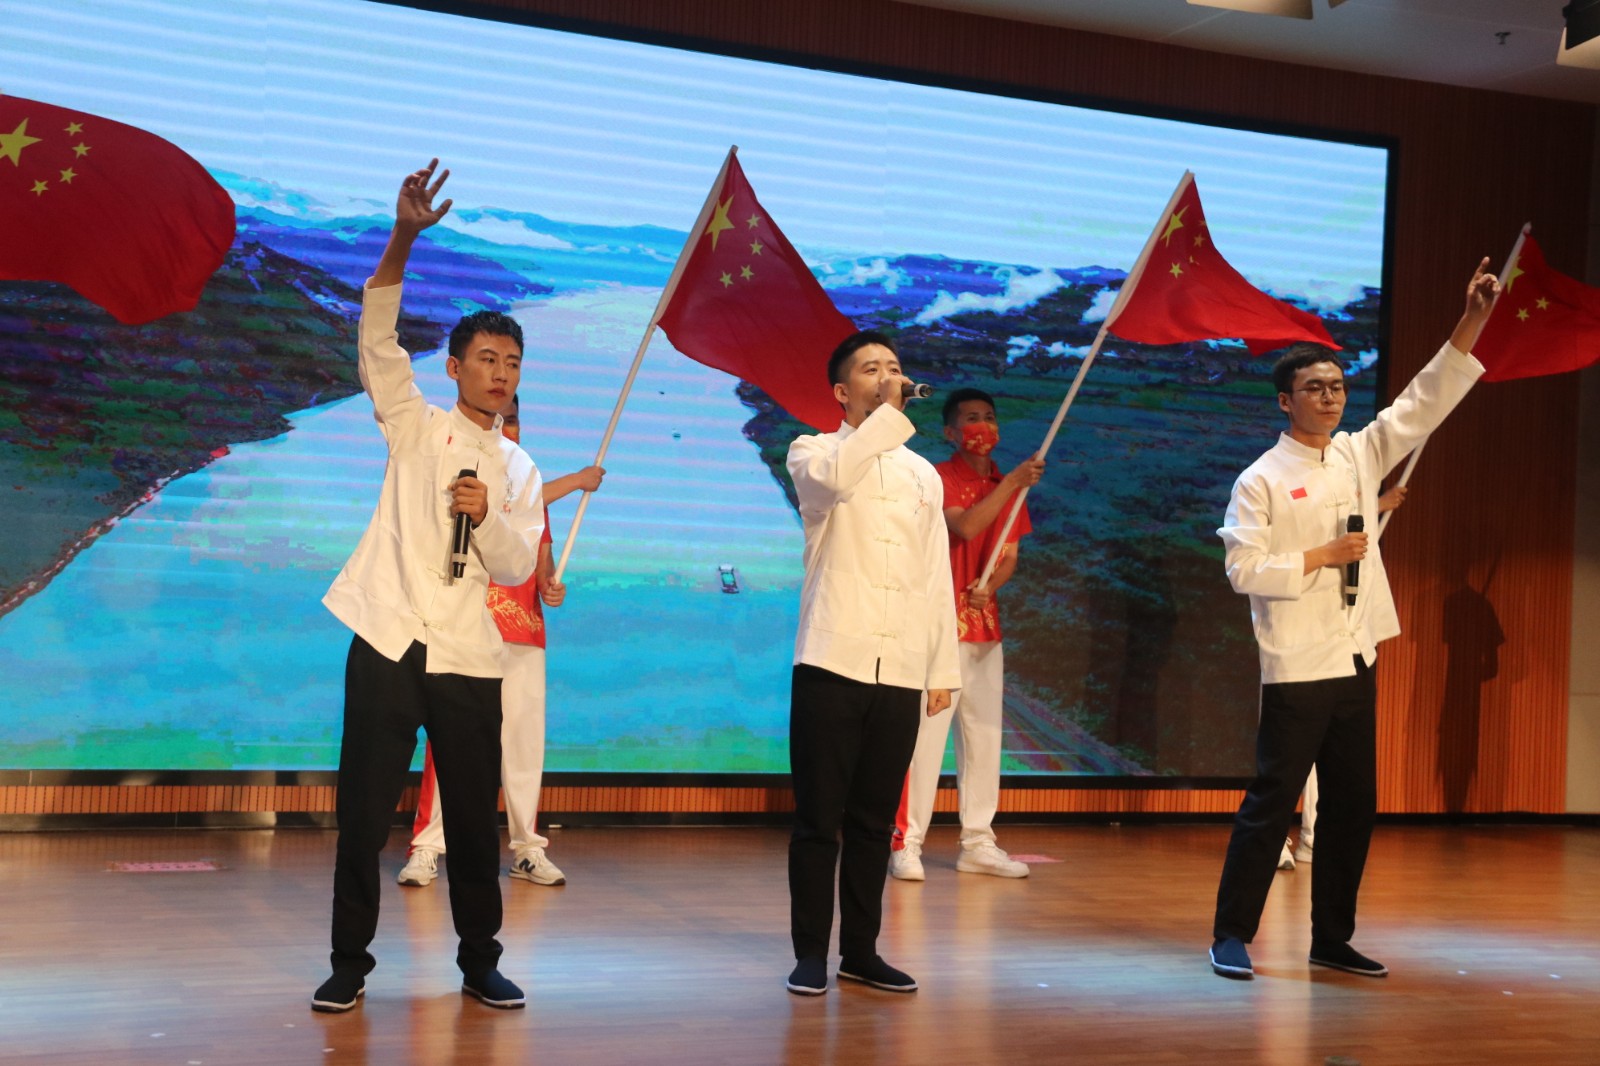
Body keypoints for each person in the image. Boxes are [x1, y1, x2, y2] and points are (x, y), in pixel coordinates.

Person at [1208, 260, 1500, 981]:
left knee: (1351, 808)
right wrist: (1322, 555)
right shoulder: (1260, 479)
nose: (1331, 396)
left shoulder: (1358, 454)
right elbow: (1244, 570)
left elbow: (1423, 401)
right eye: (1315, 388)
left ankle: (1331, 937)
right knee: (1272, 803)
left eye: (1338, 386)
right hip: (1298, 665)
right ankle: (1230, 935)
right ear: (1286, 401)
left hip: (1354, 659)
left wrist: (1473, 318)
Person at [312, 161, 542, 1013]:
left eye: (511, 363)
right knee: (364, 812)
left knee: (474, 821)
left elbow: (515, 566)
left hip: (467, 654)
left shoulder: (518, 467)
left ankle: (481, 960)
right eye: (486, 359)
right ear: (453, 367)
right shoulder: (415, 423)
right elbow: (377, 340)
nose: (500, 374)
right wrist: (404, 237)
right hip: (388, 636)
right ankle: (349, 962)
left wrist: (486, 515)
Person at [783, 331, 961, 996]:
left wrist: (942, 668)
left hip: (901, 666)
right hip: (833, 657)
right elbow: (833, 481)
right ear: (841, 391)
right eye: (870, 369)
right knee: (818, 818)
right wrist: (886, 416)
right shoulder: (814, 451)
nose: (887, 376)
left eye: (893, 367)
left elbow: (935, 574)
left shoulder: (923, 474)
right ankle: (810, 952)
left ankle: (860, 950)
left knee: (873, 821)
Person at [397, 394, 605, 891]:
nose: (505, 427)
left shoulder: (527, 479)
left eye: (512, 420)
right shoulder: (462, 472)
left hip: (524, 629)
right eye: (499, 419)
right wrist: (578, 479)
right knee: (449, 740)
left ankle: (528, 848)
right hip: (468, 627)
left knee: (524, 742)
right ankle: (427, 846)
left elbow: (542, 561)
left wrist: (551, 587)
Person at [890, 388, 1044, 881]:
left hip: (983, 626)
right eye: (972, 418)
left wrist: (990, 587)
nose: (984, 427)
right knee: (926, 737)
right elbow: (967, 527)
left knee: (983, 735)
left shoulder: (1008, 486)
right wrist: (1013, 481)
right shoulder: (939, 477)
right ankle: (907, 842)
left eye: (990, 417)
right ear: (951, 432)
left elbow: (1009, 554)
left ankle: (978, 841)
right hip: (937, 626)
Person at [1279, 482, 1408, 872]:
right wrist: (1377, 503)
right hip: (1293, 642)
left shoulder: (1343, 478)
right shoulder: (1284, 483)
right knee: (1287, 754)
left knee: (1326, 751)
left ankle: (1311, 836)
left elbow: (1344, 523)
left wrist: (1375, 505)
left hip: (1338, 641)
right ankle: (1276, 838)